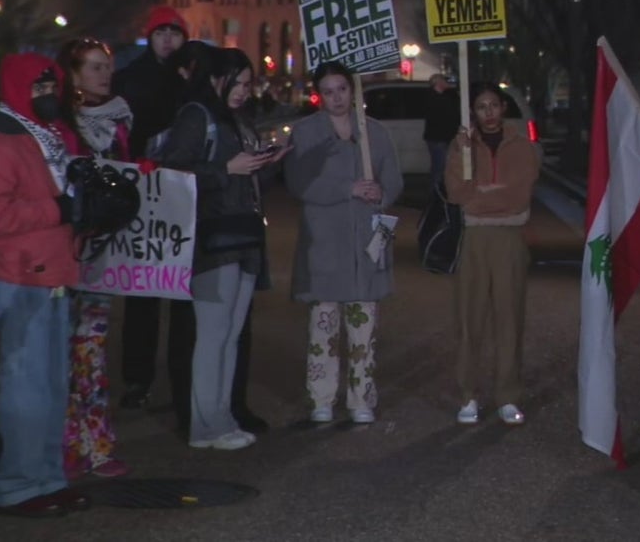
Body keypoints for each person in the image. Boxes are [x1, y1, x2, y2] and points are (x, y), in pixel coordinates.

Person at [0, 53, 91, 517]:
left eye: (51, 87)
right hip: (22, 279)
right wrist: (59, 210)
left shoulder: (54, 139)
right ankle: (17, 485)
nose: (47, 96)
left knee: (52, 387)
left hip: (56, 273)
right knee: (25, 389)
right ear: (18, 89)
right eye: (38, 89)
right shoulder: (1, 146)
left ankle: (46, 477)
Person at [160, 47, 285, 450]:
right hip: (213, 238)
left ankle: (223, 417)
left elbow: (242, 178)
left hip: (244, 234)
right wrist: (224, 170)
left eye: (249, 85)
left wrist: (266, 165)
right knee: (213, 335)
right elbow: (172, 172)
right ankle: (205, 424)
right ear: (218, 77)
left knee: (229, 335)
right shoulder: (198, 115)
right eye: (240, 83)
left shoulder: (235, 119)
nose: (245, 92)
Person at [284, 61, 402, 425]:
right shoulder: (306, 133)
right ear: (321, 93)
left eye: (342, 89)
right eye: (329, 90)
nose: (337, 97)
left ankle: (361, 397)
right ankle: (321, 396)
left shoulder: (374, 133)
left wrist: (380, 192)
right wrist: (344, 189)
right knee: (324, 325)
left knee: (363, 327)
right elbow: (298, 182)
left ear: (353, 91)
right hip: (324, 242)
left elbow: (393, 178)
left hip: (364, 242)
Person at [54, 37, 132, 479]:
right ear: (75, 73)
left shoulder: (119, 122)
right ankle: (70, 442)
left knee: (93, 351)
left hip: (105, 253)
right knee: (66, 352)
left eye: (108, 66)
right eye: (95, 67)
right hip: (71, 251)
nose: (104, 74)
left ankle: (98, 444)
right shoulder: (64, 125)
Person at [444, 84, 540, 426]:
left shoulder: (521, 146)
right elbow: (457, 193)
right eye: (481, 106)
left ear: (503, 107)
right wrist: (467, 163)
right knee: (470, 318)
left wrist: (482, 194)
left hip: (510, 236)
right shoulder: (464, 146)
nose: (488, 112)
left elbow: (519, 194)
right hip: (475, 236)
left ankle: (508, 395)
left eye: (493, 105)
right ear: (474, 111)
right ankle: (468, 395)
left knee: (509, 317)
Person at [115, 5, 191, 413]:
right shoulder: (130, 78)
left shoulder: (192, 77)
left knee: (181, 289)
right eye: (160, 32)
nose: (167, 40)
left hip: (181, 191)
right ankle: (137, 377)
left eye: (174, 32)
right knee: (142, 292)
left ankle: (182, 375)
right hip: (143, 189)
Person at [423, 73, 460, 185]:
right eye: (443, 80)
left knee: (440, 168)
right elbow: (447, 117)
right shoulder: (434, 99)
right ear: (438, 83)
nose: (446, 82)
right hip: (438, 138)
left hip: (442, 138)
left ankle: (437, 195)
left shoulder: (443, 97)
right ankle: (436, 196)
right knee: (439, 169)